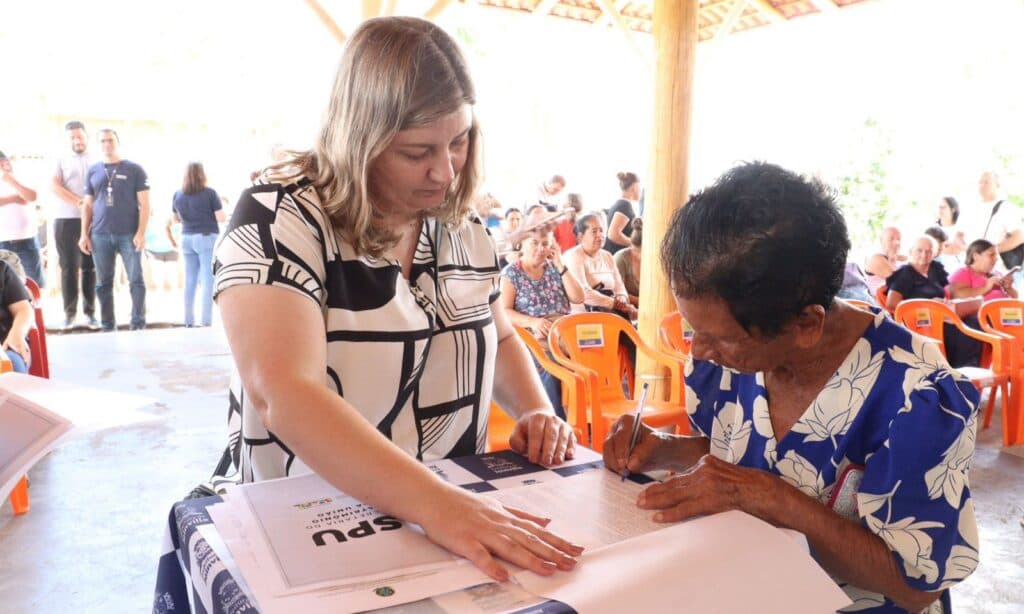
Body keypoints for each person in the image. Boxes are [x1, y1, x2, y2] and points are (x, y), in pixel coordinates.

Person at [209, 16, 582, 581]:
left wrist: (534, 408)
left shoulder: (460, 224)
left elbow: (497, 333)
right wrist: (439, 506)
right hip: (315, 522)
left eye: (459, 143)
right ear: (360, 138)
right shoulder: (280, 215)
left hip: (454, 519)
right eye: (417, 151)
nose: (445, 171)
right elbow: (283, 390)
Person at [605, 162, 979, 614]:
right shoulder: (730, 354)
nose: (700, 351)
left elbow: (916, 587)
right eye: (691, 328)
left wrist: (773, 499)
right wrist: (664, 448)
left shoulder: (912, 392)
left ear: (806, 324)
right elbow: (743, 447)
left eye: (721, 337)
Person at [500, 228, 584, 419]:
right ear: (522, 244)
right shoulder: (511, 273)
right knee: (551, 369)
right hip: (533, 338)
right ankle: (556, 421)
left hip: (564, 335)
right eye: (534, 243)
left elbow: (578, 297)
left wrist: (560, 264)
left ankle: (586, 415)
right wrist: (534, 321)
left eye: (545, 244)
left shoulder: (555, 268)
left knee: (592, 362)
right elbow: (503, 311)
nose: (540, 248)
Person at [79, 129, 150, 331]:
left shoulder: (135, 169)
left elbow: (145, 204)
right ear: (98, 144)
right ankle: (108, 325)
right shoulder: (93, 171)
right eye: (102, 141)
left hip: (129, 234)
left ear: (118, 142)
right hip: (100, 235)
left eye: (110, 140)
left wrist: (141, 233)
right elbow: (87, 205)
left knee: (136, 280)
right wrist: (84, 234)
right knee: (103, 283)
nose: (106, 144)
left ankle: (138, 323)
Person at [885, 236, 981, 367]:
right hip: (921, 323)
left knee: (973, 322)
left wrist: (959, 301)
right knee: (959, 331)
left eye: (929, 251)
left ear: (934, 253)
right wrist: (927, 304)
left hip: (942, 315)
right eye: (919, 250)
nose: (924, 255)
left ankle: (970, 369)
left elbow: (949, 292)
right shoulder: (905, 273)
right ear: (911, 251)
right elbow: (891, 304)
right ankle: (956, 370)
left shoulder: (935, 269)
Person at [50, 121, 99, 329]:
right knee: (69, 267)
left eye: (80, 136)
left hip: (94, 219)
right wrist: (79, 202)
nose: (77, 140)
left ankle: (90, 314)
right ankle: (69, 314)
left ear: (86, 136)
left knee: (90, 267)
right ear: (67, 139)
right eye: (72, 137)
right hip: (66, 219)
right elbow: (54, 185)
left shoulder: (97, 159)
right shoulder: (60, 158)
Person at [172, 162, 225, 327]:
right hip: (206, 237)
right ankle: (206, 321)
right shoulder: (210, 193)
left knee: (190, 280)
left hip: (186, 238)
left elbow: (175, 219)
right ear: (202, 174)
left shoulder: (178, 194)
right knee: (208, 280)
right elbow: (221, 217)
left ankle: (188, 321)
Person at [562, 213, 637, 320]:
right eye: (594, 231)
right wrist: (615, 303)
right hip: (583, 316)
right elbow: (584, 294)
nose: (600, 235)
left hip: (611, 314)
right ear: (580, 236)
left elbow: (619, 286)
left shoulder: (607, 255)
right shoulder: (573, 256)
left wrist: (622, 298)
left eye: (601, 230)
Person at [969, 171, 1024, 290]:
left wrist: (992, 252)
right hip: (975, 270)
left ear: (997, 185)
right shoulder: (972, 207)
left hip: (1000, 271)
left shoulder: (1007, 208)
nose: (982, 185)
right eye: (980, 182)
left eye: (987, 182)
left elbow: (1019, 237)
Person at [0, 151, 44, 288]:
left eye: (4, 162)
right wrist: (14, 198)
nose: (4, 165)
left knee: (34, 286)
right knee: (6, 288)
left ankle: (36, 310)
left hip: (27, 240)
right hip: (2, 243)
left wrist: (12, 181)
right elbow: (22, 198)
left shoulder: (23, 176)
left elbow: (31, 197)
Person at [948, 239, 1018, 305]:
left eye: (996, 255)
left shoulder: (997, 273)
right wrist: (986, 287)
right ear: (975, 256)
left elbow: (1015, 298)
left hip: (1007, 313)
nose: (996, 258)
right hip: (981, 315)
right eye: (991, 255)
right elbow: (956, 295)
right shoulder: (963, 272)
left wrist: (1009, 288)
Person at [0, 255, 33, 373]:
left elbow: (23, 309)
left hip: (5, 344)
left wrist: (17, 333)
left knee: (11, 363)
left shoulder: (3, 270)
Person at [604, 171, 640, 255]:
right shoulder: (625, 206)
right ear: (634, 187)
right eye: (639, 188)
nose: (640, 191)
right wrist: (634, 244)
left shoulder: (620, 204)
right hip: (616, 254)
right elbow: (613, 234)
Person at [863, 226, 904, 294]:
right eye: (891, 239)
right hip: (880, 303)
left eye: (899, 239)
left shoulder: (899, 261)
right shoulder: (875, 258)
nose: (897, 243)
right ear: (881, 240)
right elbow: (900, 283)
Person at [614, 217, 642, 306]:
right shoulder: (621, 258)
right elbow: (617, 292)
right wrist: (644, 303)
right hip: (626, 310)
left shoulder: (655, 259)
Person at [936, 196, 965, 273]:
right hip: (939, 271)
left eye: (943, 207)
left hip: (959, 271)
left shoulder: (961, 229)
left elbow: (962, 249)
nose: (940, 210)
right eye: (939, 207)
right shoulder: (933, 228)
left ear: (953, 209)